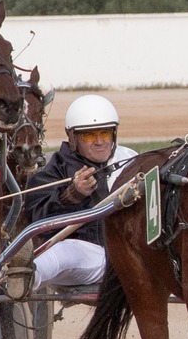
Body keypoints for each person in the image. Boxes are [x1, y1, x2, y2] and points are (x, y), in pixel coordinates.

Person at [24, 94, 137, 292]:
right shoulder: (54, 172)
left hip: (135, 254)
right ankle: (24, 281)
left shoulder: (131, 160)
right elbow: (39, 222)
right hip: (92, 256)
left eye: (105, 133)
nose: (100, 141)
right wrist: (71, 196)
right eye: (90, 135)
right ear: (73, 138)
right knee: (64, 252)